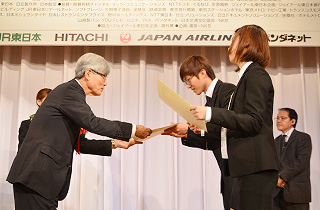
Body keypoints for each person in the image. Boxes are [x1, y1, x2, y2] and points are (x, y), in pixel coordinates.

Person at [7, 52, 152, 210]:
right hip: (36, 177)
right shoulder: (70, 91)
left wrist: (115, 143)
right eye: (104, 76)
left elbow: (80, 144)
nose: (105, 83)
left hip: (42, 181)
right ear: (88, 73)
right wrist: (132, 129)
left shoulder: (72, 95)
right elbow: (92, 122)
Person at [190, 25, 280, 210]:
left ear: (246, 45)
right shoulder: (246, 76)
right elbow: (237, 122)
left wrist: (210, 113)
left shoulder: (256, 74)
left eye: (233, 41)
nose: (229, 47)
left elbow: (254, 120)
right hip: (245, 168)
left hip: (256, 168)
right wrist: (204, 127)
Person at [162, 55, 235, 210]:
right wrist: (187, 133)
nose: (188, 85)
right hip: (227, 173)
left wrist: (192, 129)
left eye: (189, 80)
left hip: (237, 171)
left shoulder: (227, 91)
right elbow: (214, 140)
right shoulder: (209, 100)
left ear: (202, 73)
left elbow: (230, 129)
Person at [273, 108, 312, 210]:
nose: (278, 121)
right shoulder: (275, 141)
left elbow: (301, 162)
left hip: (297, 193)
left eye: (282, 118)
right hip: (277, 194)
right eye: (277, 118)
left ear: (293, 121)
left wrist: (282, 177)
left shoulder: (303, 138)